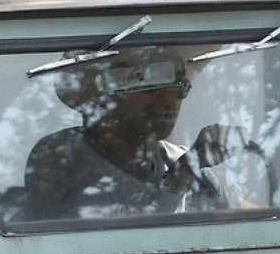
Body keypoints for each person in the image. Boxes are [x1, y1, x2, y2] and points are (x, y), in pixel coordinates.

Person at [19, 47, 218, 221]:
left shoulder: (181, 160)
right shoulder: (64, 155)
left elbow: (237, 224)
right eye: (149, 86)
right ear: (105, 95)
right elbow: (79, 240)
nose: (168, 100)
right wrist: (181, 177)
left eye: (178, 87)